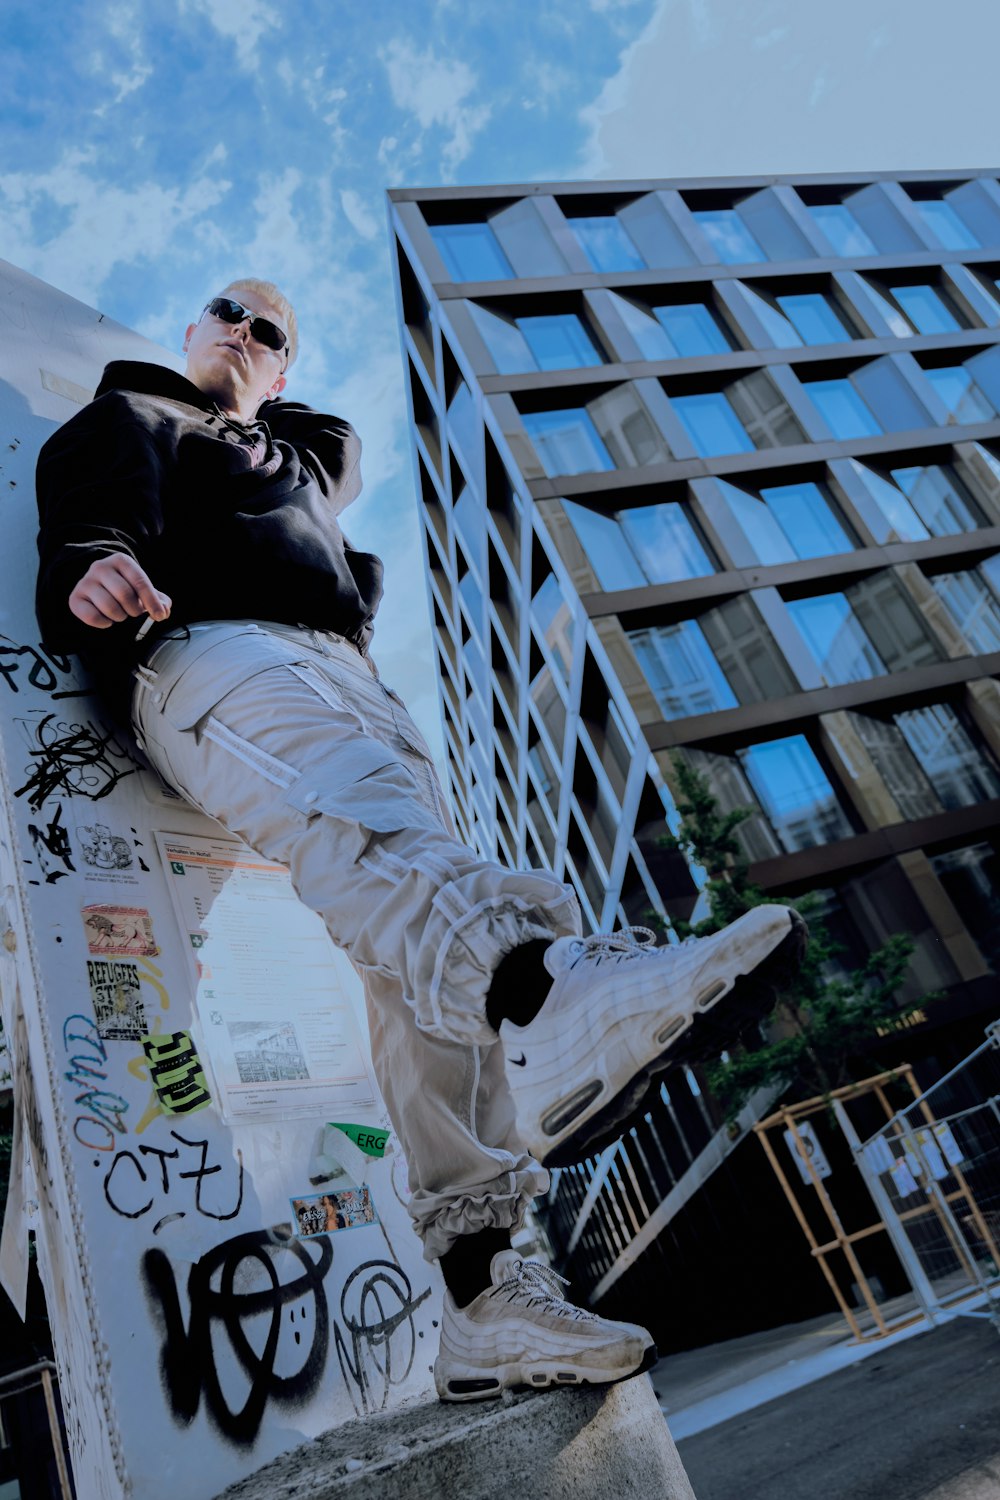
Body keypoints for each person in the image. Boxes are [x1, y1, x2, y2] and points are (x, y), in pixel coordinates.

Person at [35, 279, 807, 1402]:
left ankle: (484, 1294)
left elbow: (332, 453)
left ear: (283, 370)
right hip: (208, 654)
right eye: (225, 314)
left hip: (350, 677)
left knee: (408, 955)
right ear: (189, 325)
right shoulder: (130, 417)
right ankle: (546, 998)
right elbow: (83, 526)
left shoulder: (289, 459)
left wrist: (255, 414)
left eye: (270, 334)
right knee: (380, 844)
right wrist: (90, 571)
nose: (242, 337)